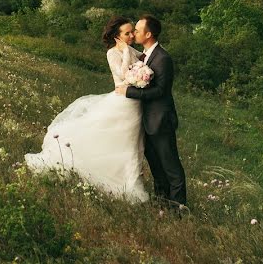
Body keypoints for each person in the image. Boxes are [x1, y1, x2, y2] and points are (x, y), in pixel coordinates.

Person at [24, 16, 149, 203]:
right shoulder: (113, 53)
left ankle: (130, 181)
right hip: (122, 102)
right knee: (120, 143)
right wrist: (124, 53)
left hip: (134, 103)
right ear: (117, 36)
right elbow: (124, 75)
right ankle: (120, 184)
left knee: (132, 145)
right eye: (127, 33)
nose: (131, 35)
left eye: (132, 31)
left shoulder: (128, 48)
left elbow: (143, 59)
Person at [115, 15, 187, 208]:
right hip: (147, 120)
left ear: (148, 34)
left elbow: (160, 91)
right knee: (156, 167)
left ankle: (180, 207)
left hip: (161, 119)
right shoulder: (145, 55)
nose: (134, 33)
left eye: (137, 30)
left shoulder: (163, 58)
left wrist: (129, 91)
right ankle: (162, 202)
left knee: (170, 166)